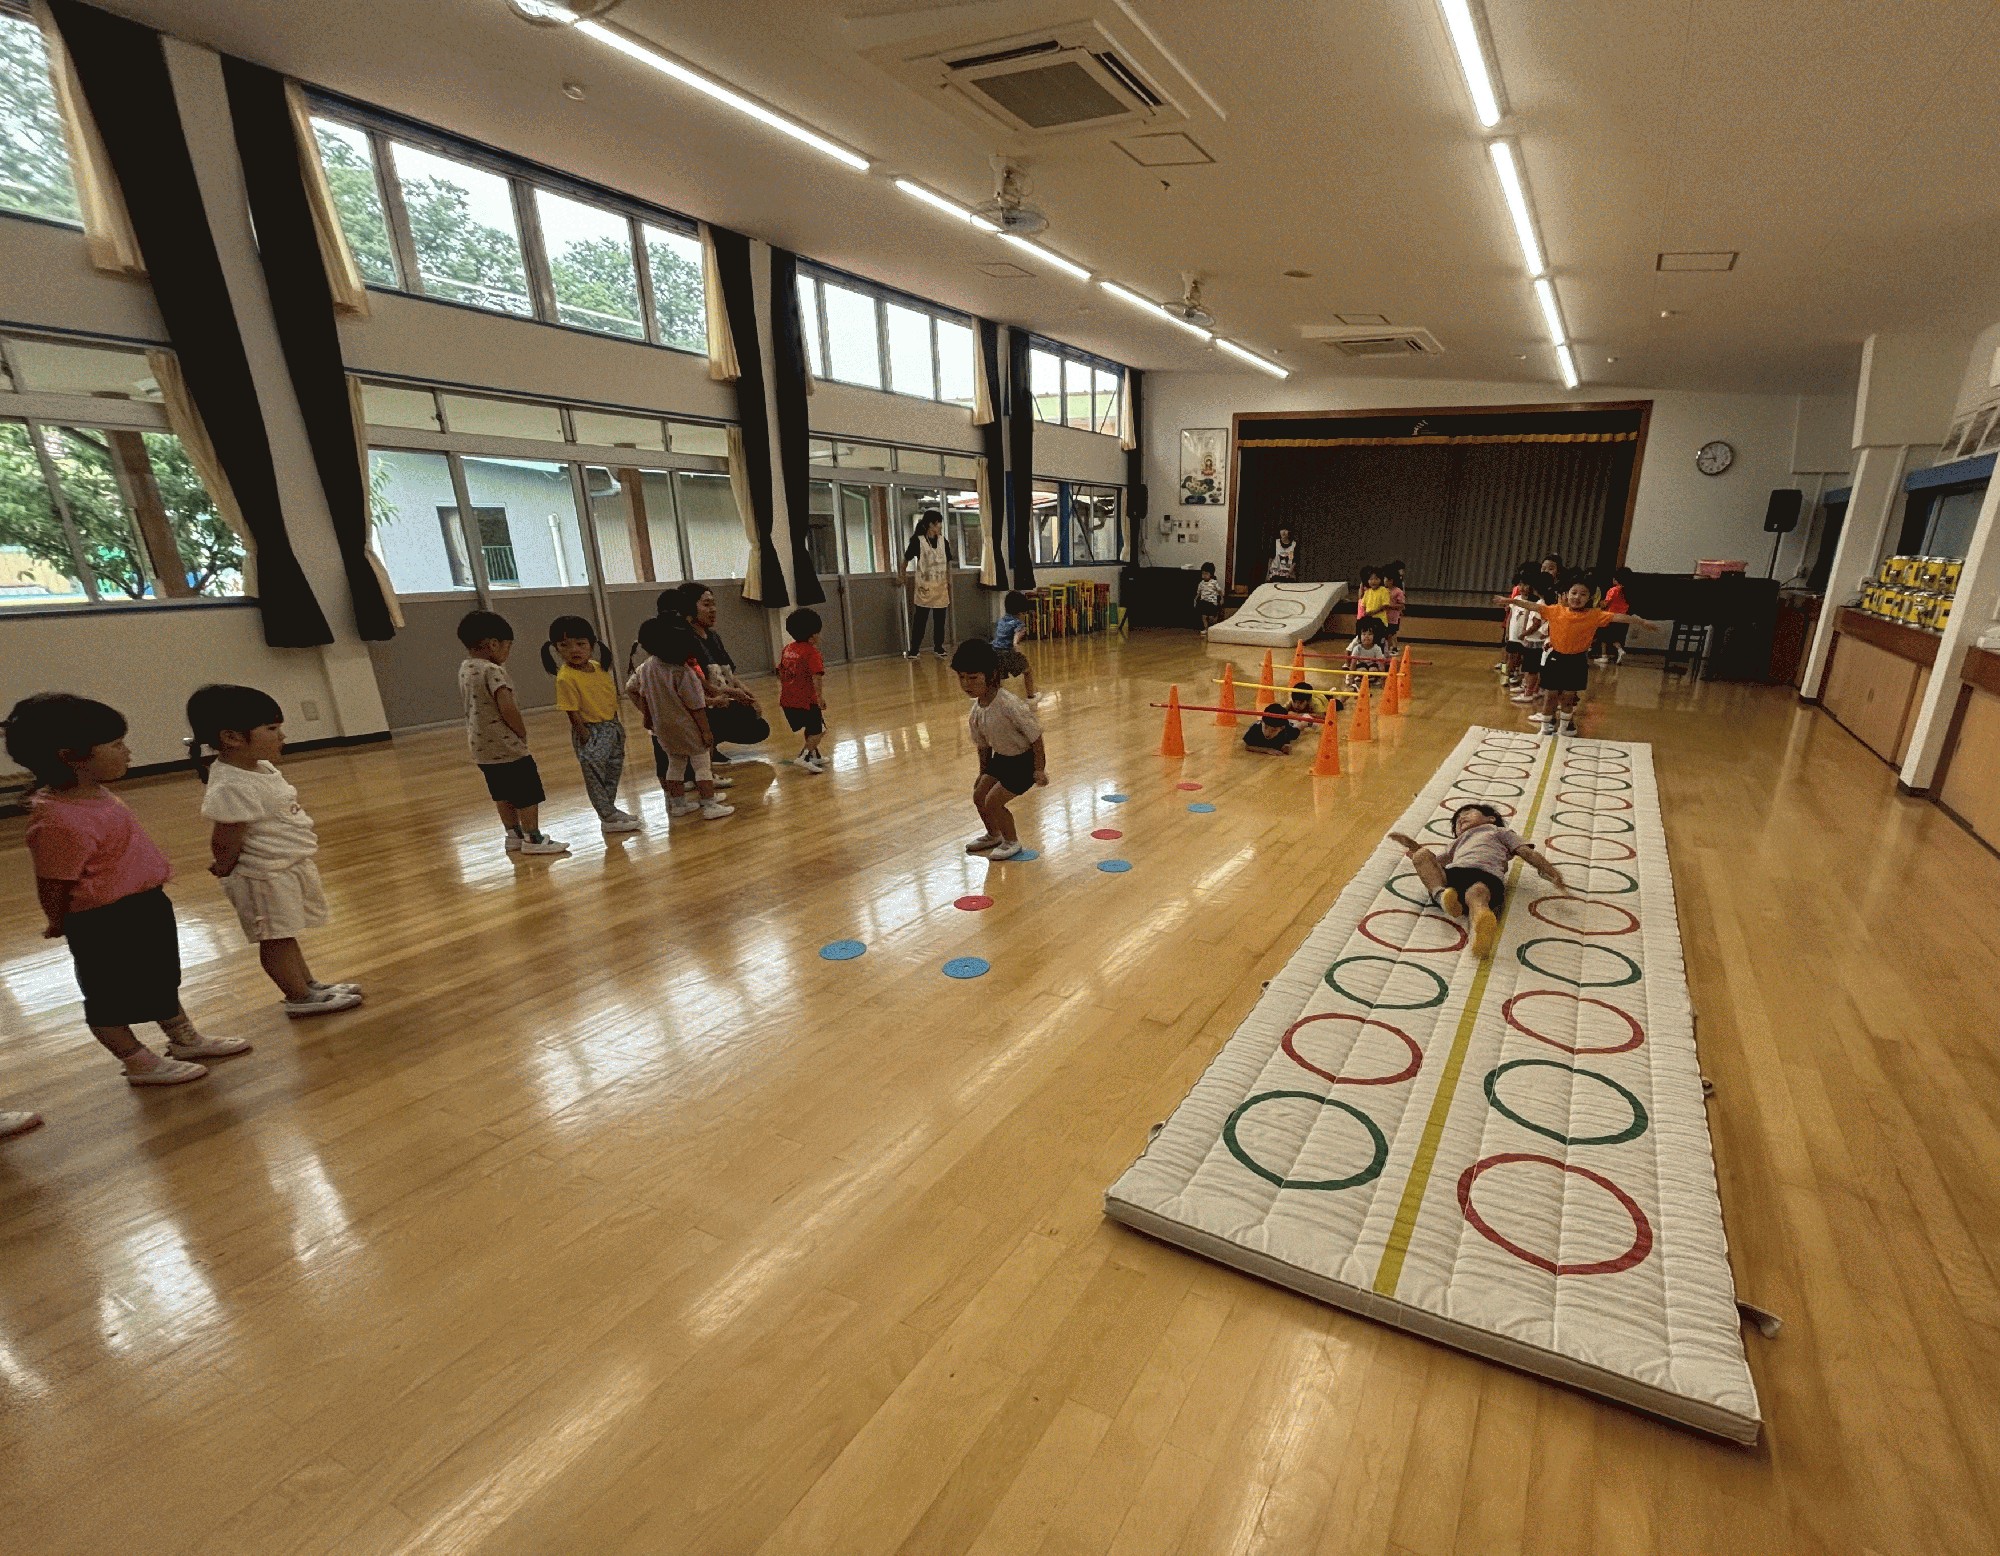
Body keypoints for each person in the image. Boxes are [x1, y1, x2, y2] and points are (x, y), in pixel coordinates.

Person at [5, 693, 248, 1086]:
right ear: (71, 756)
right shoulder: (56, 820)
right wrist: (57, 920)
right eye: (116, 744)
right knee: (109, 999)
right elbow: (52, 881)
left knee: (160, 979)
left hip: (145, 905)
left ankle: (184, 1040)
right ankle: (137, 1060)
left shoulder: (95, 794)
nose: (128, 752)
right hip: (103, 920)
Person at [186, 683, 362, 1017]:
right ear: (232, 737)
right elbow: (225, 836)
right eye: (271, 728)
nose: (282, 736)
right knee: (275, 938)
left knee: (285, 933)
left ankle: (308, 985)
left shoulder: (260, 768)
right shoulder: (231, 784)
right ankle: (298, 997)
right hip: (262, 875)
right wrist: (224, 865)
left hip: (284, 866)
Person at [1390, 803, 1566, 959]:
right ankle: (1441, 896)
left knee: (1477, 893)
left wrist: (1552, 873)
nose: (1461, 818)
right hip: (1453, 875)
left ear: (1491, 818)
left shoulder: (1499, 831)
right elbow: (1434, 865)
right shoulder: (1455, 843)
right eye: (1457, 821)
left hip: (1486, 875)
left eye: (1468, 812)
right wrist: (1413, 846)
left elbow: (1527, 852)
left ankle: (1481, 930)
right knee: (1421, 856)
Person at [457, 609, 568, 856]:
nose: (507, 653)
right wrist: (521, 731)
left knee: (501, 792)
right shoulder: (493, 671)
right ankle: (533, 837)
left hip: (481, 747)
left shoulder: (466, 667)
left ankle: (513, 835)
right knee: (526, 792)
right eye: (507, 647)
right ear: (493, 644)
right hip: (506, 745)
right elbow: (506, 706)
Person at [1496, 574, 1654, 735]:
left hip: (1576, 661)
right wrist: (1510, 600)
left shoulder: (1594, 615)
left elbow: (1617, 617)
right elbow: (1531, 606)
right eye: (1574, 593)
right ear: (1566, 594)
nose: (1577, 597)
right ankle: (1545, 728)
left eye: (1583, 594)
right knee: (1550, 696)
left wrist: (1641, 622)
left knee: (1568, 697)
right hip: (1555, 658)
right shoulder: (1555, 610)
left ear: (1589, 597)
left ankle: (1564, 728)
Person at [543, 615, 641, 836]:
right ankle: (606, 816)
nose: (574, 650)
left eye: (580, 644)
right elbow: (572, 711)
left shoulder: (598, 668)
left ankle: (610, 810)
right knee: (595, 776)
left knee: (612, 771)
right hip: (591, 730)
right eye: (564, 645)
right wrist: (585, 735)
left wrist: (616, 725)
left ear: (591, 645)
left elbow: (608, 696)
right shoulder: (565, 677)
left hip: (611, 727)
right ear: (556, 649)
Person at [628, 614, 733, 819]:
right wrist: (706, 731)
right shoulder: (683, 673)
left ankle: (678, 804)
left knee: (675, 764)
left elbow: (644, 695)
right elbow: (696, 706)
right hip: (688, 727)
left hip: (662, 728)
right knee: (702, 764)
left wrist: (647, 719)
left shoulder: (647, 667)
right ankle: (709, 804)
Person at [951, 639, 1046, 862]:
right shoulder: (976, 712)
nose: (966, 684)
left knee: (993, 802)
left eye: (973, 678)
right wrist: (982, 773)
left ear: (991, 675)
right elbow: (983, 746)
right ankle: (994, 835)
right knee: (979, 795)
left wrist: (1039, 769)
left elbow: (1035, 736)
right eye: (961, 677)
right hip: (1001, 759)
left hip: (1023, 763)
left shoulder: (1009, 704)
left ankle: (1011, 841)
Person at [679, 582, 769, 766]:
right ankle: (703, 749)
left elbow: (729, 673)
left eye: (714, 604)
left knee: (759, 727)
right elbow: (695, 684)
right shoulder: (685, 639)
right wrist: (731, 693)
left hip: (720, 698)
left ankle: (711, 743)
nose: (713, 609)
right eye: (706, 604)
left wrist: (749, 694)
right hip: (702, 703)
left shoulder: (713, 637)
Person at [778, 607, 828, 772]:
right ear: (812, 636)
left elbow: (781, 672)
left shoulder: (788, 649)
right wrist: (819, 698)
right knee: (819, 730)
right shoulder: (812, 653)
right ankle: (804, 757)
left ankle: (815, 755)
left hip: (788, 700)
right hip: (806, 701)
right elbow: (817, 676)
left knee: (813, 727)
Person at [904, 511, 952, 659]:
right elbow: (906, 558)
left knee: (940, 620)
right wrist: (902, 575)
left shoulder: (943, 541)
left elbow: (948, 562)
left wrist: (949, 580)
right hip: (924, 587)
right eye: (938, 523)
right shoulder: (918, 541)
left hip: (940, 586)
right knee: (920, 620)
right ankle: (914, 649)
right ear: (931, 524)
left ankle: (938, 647)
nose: (940, 526)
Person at [991, 589, 1038, 699]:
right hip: (1008, 652)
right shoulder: (1018, 623)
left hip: (995, 651)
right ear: (1020, 612)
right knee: (1027, 671)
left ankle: (996, 697)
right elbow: (1016, 636)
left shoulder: (1001, 620)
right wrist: (1015, 644)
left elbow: (998, 636)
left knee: (998, 677)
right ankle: (1031, 696)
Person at [1593, 568, 1636, 665]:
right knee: (1615, 636)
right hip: (1623, 617)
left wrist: (1599, 603)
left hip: (1611, 616)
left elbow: (1606, 603)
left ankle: (1605, 656)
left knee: (1603, 635)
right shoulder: (1628, 591)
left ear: (1617, 579)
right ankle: (1619, 650)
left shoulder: (1613, 590)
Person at [1344, 619, 1392, 698]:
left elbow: (1380, 664)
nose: (1366, 636)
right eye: (1364, 634)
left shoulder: (1377, 648)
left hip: (1372, 664)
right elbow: (1353, 663)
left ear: (1374, 636)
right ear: (1360, 636)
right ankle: (1364, 679)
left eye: (1370, 634)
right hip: (1361, 665)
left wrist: (1383, 680)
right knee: (1362, 671)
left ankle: (1371, 678)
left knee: (1373, 670)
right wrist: (1351, 678)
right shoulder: (1357, 648)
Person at [1356, 566, 1392, 638]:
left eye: (1376, 579)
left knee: (1379, 640)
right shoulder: (1367, 592)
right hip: (1369, 621)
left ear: (1380, 579)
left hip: (1380, 621)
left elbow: (1385, 606)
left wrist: (1373, 612)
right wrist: (1366, 614)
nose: (1373, 581)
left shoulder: (1384, 590)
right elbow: (1363, 605)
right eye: (1371, 579)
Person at [1194, 562, 1223, 632]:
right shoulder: (1201, 583)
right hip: (1204, 601)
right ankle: (1206, 628)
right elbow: (1199, 592)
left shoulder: (1214, 582)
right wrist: (1195, 599)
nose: (1204, 575)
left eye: (1206, 573)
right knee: (1204, 616)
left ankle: (1214, 624)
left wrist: (1222, 598)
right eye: (1203, 573)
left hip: (1212, 602)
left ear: (1211, 574)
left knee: (1211, 617)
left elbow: (1219, 591)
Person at [1384, 562, 1407, 648]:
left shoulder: (1398, 591)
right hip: (1384, 617)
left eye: (1385, 579)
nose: (1384, 581)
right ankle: (1388, 649)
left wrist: (1390, 606)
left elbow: (1401, 605)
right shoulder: (1383, 590)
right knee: (1385, 635)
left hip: (1393, 618)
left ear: (1391, 581)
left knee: (1391, 634)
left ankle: (1392, 648)